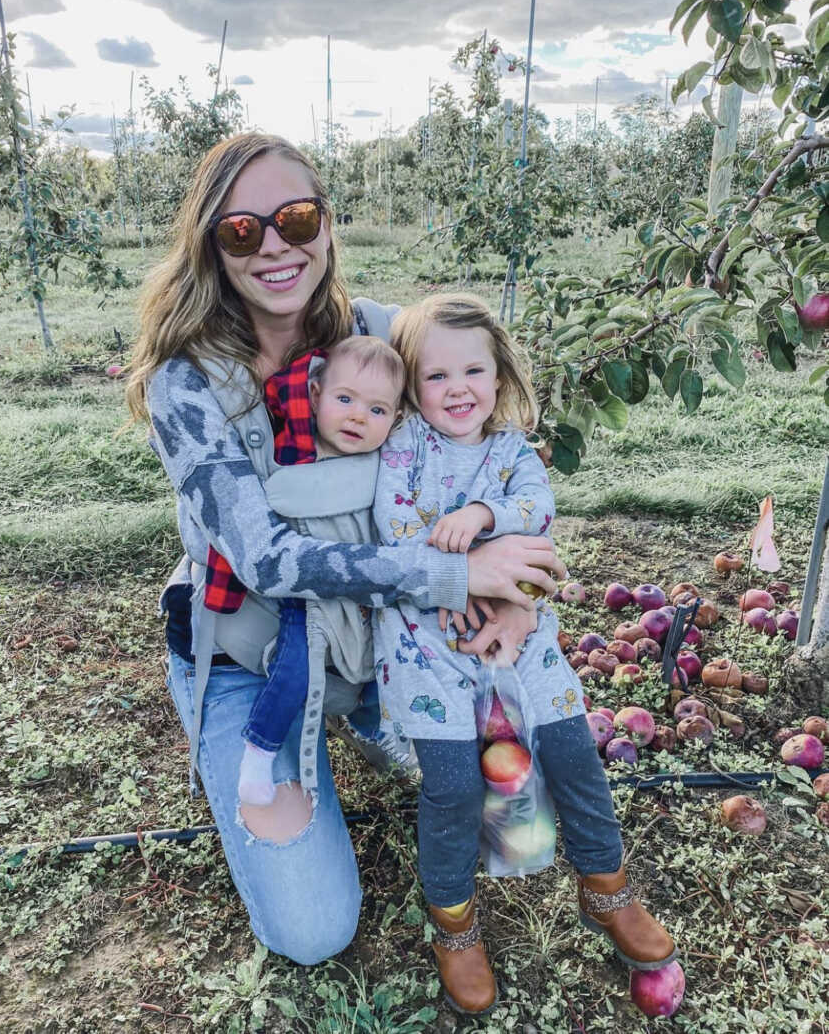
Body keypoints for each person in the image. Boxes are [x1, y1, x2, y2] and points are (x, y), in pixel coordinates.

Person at [125, 131, 566, 967]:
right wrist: (455, 571)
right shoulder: (187, 384)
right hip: (252, 652)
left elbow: (493, 439)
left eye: (296, 217)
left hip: (373, 632)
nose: (277, 246)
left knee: (510, 793)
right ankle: (292, 736)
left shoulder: (382, 335)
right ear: (212, 246)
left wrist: (512, 584)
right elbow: (267, 559)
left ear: (327, 223)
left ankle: (373, 715)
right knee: (314, 928)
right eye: (243, 231)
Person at [373, 293, 677, 1015]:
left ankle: (607, 886)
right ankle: (454, 922)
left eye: (472, 370)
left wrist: (482, 516)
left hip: (520, 639)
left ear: (499, 373)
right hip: (429, 647)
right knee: (452, 786)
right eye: (436, 376)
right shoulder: (404, 445)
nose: (457, 390)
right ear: (413, 385)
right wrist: (456, 569)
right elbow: (392, 523)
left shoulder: (512, 453)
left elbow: (538, 515)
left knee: (573, 752)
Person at [235, 336, 406, 806]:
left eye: (377, 410)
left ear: (396, 419)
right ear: (315, 396)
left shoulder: (389, 462)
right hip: (310, 595)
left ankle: (383, 735)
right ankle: (259, 750)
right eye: (344, 399)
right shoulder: (298, 445)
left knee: (387, 674)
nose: (356, 416)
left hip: (374, 598)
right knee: (295, 671)